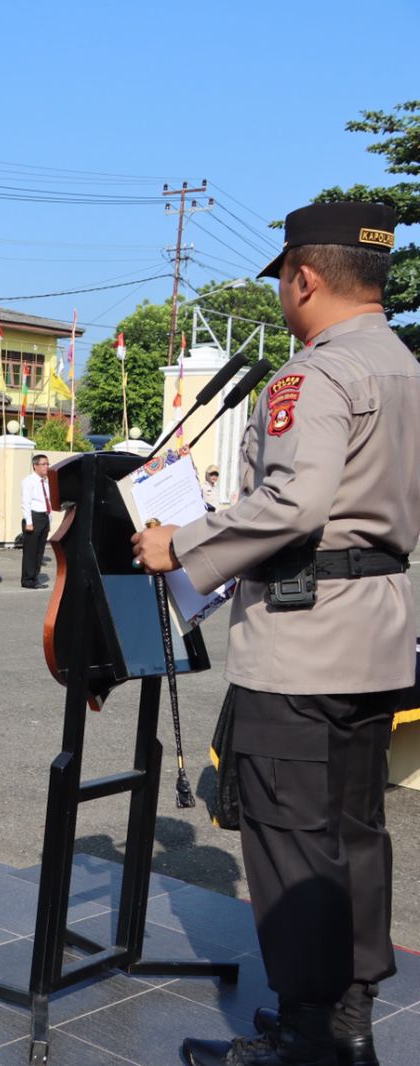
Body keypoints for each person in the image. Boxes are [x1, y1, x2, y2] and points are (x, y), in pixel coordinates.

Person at [130, 202, 420, 1066]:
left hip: (302, 639)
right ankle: (349, 1023)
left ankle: (305, 1040)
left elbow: (297, 501)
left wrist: (178, 542)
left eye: (283, 283)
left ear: (304, 277)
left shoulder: (316, 374)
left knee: (293, 843)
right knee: (354, 831)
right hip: (375, 639)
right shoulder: (405, 367)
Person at [20, 454, 52, 589]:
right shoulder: (29, 481)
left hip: (44, 517)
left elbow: (48, 501)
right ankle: (27, 579)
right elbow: (26, 502)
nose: (46, 467)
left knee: (39, 551)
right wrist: (29, 521)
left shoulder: (46, 482)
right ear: (35, 466)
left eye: (47, 464)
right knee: (31, 551)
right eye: (43, 464)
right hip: (34, 517)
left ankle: (35, 577)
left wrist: (49, 521)